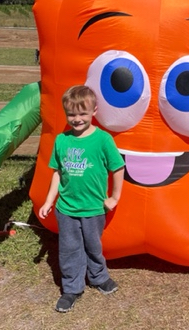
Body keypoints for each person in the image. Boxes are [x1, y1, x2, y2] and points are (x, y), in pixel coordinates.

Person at [38, 85, 125, 313]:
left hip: (94, 208)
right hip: (66, 208)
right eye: (71, 114)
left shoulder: (103, 140)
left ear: (94, 111)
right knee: (69, 248)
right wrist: (49, 201)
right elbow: (57, 172)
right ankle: (72, 288)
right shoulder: (61, 141)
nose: (76, 119)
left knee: (93, 246)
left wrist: (114, 197)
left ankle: (99, 277)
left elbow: (118, 168)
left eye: (82, 114)